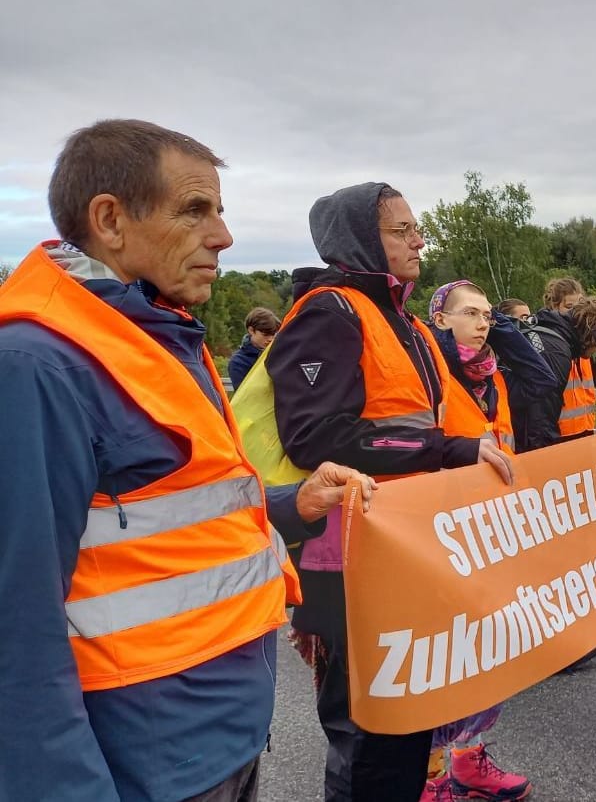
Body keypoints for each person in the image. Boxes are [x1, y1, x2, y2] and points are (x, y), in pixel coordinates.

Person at [0, 119, 374, 802]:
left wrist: (294, 504)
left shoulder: (157, 333)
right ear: (110, 219)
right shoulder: (39, 365)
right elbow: (15, 626)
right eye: (195, 210)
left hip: (218, 736)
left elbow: (174, 516)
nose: (223, 236)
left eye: (222, 211)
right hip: (145, 761)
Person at [266, 182, 514, 802]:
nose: (418, 239)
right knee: (367, 738)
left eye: (415, 227)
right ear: (358, 239)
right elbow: (314, 437)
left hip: (407, 548)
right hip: (351, 559)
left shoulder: (401, 319)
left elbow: (443, 418)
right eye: (400, 229)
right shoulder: (331, 312)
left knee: (406, 728)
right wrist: (448, 451)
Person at [421, 280, 556, 800]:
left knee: (490, 654)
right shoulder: (432, 371)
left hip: (491, 532)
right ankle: (430, 777)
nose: (483, 323)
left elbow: (542, 380)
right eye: (470, 314)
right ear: (439, 321)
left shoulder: (493, 375)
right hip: (442, 536)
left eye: (488, 315)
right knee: (447, 660)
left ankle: (469, 758)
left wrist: (502, 327)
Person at [519, 288, 596, 452]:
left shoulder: (560, 340)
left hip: (577, 432)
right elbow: (540, 419)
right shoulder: (557, 352)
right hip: (556, 439)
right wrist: (548, 464)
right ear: (592, 333)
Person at [228, 306, 280, 389]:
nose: (270, 339)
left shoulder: (280, 354)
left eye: (273, 334)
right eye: (265, 334)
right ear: (251, 330)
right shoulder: (238, 362)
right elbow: (243, 393)